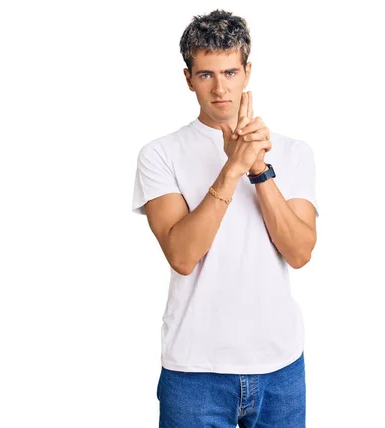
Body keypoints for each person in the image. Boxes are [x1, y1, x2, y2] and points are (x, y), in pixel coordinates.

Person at [131, 9, 319, 428]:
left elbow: (300, 251)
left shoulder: (293, 152)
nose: (220, 88)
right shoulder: (159, 154)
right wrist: (232, 167)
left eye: (230, 72)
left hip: (280, 367)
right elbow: (182, 255)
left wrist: (258, 169)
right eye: (206, 75)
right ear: (187, 78)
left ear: (247, 71)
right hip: (195, 371)